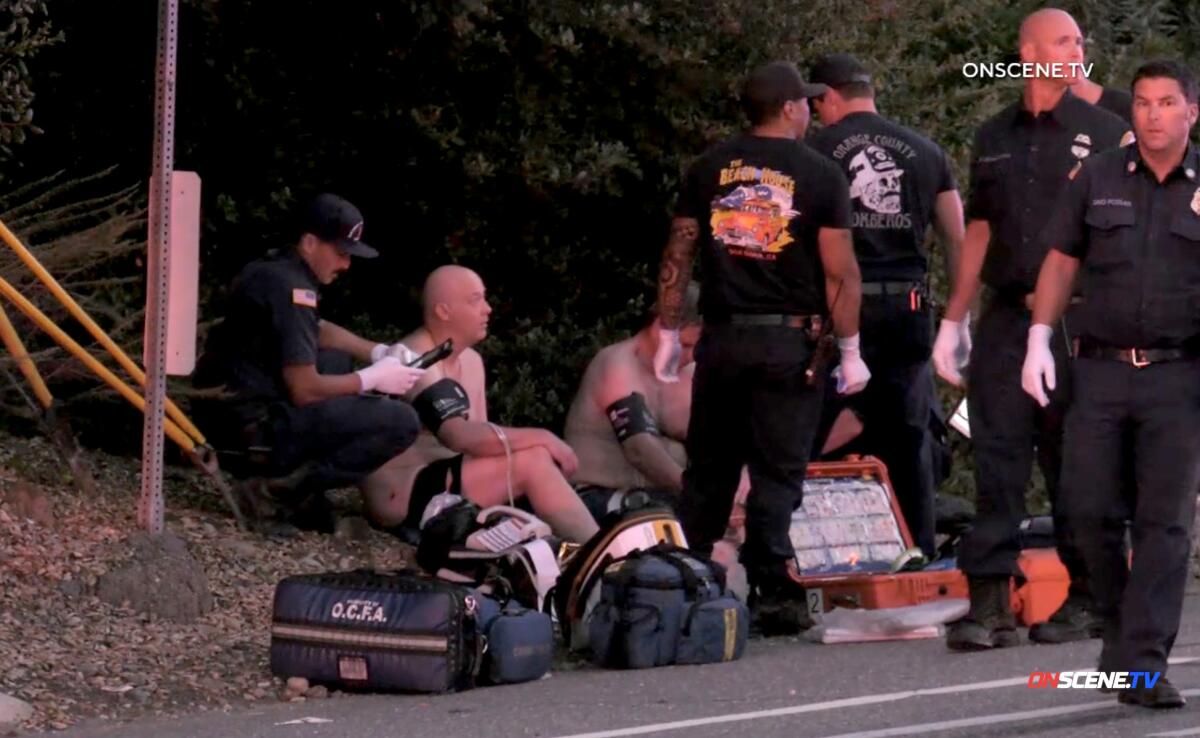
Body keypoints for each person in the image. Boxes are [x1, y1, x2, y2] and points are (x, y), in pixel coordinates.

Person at [933, 8, 1129, 650]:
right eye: (1066, 40)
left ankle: (1089, 599)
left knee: (1075, 460)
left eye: (1080, 41)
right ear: (1029, 51)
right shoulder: (994, 134)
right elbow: (980, 231)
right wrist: (953, 320)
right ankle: (988, 602)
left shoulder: (1107, 131)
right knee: (996, 452)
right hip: (1007, 315)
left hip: (1078, 319)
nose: (1079, 50)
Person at [652, 60, 867, 635]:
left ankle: (689, 577)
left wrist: (670, 333)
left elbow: (678, 254)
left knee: (710, 466)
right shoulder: (821, 174)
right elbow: (840, 272)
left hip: (722, 339)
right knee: (778, 469)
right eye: (805, 104)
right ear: (794, 107)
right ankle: (773, 590)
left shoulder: (707, 167)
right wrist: (850, 347)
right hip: (788, 342)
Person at [1022, 60, 1199, 709]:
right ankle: (1123, 632)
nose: (1152, 113)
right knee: (1087, 508)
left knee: (1164, 524)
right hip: (1097, 369)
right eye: (1144, 102)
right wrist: (1038, 338)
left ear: (1191, 112)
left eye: (1166, 103)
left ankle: (1143, 664)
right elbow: (1062, 259)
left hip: (1180, 376)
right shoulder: (1096, 176)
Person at [807, 53, 965, 558]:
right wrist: (961, 320)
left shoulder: (814, 151)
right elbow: (958, 240)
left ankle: (813, 558)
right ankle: (916, 551)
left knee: (812, 431)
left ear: (827, 97)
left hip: (838, 309)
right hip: (907, 307)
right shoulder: (926, 151)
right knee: (908, 435)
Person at [193, 193, 425, 532]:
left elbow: (312, 331)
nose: (346, 265)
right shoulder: (293, 289)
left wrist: (376, 351)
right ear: (310, 242)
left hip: (224, 412)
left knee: (335, 359)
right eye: (341, 253)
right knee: (401, 421)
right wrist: (371, 379)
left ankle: (290, 487)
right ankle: (275, 491)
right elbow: (303, 390)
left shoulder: (275, 272)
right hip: (250, 430)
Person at [360, 265, 600, 543]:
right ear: (443, 311)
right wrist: (544, 437)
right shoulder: (416, 357)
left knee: (533, 456)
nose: (487, 309)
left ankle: (588, 545)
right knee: (533, 461)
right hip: (401, 494)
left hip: (445, 481)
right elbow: (458, 436)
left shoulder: (472, 361)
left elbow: (483, 438)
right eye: (475, 300)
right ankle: (603, 556)